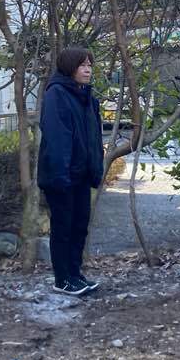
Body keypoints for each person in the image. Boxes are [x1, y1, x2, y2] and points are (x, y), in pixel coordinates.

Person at [37, 47, 104, 297]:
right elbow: (57, 139)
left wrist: (95, 167)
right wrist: (60, 175)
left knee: (79, 227)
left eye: (90, 65)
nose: (87, 69)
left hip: (81, 174)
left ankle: (75, 274)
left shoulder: (85, 96)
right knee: (63, 228)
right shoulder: (57, 94)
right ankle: (62, 278)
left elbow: (93, 137)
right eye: (82, 65)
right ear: (69, 67)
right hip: (62, 177)